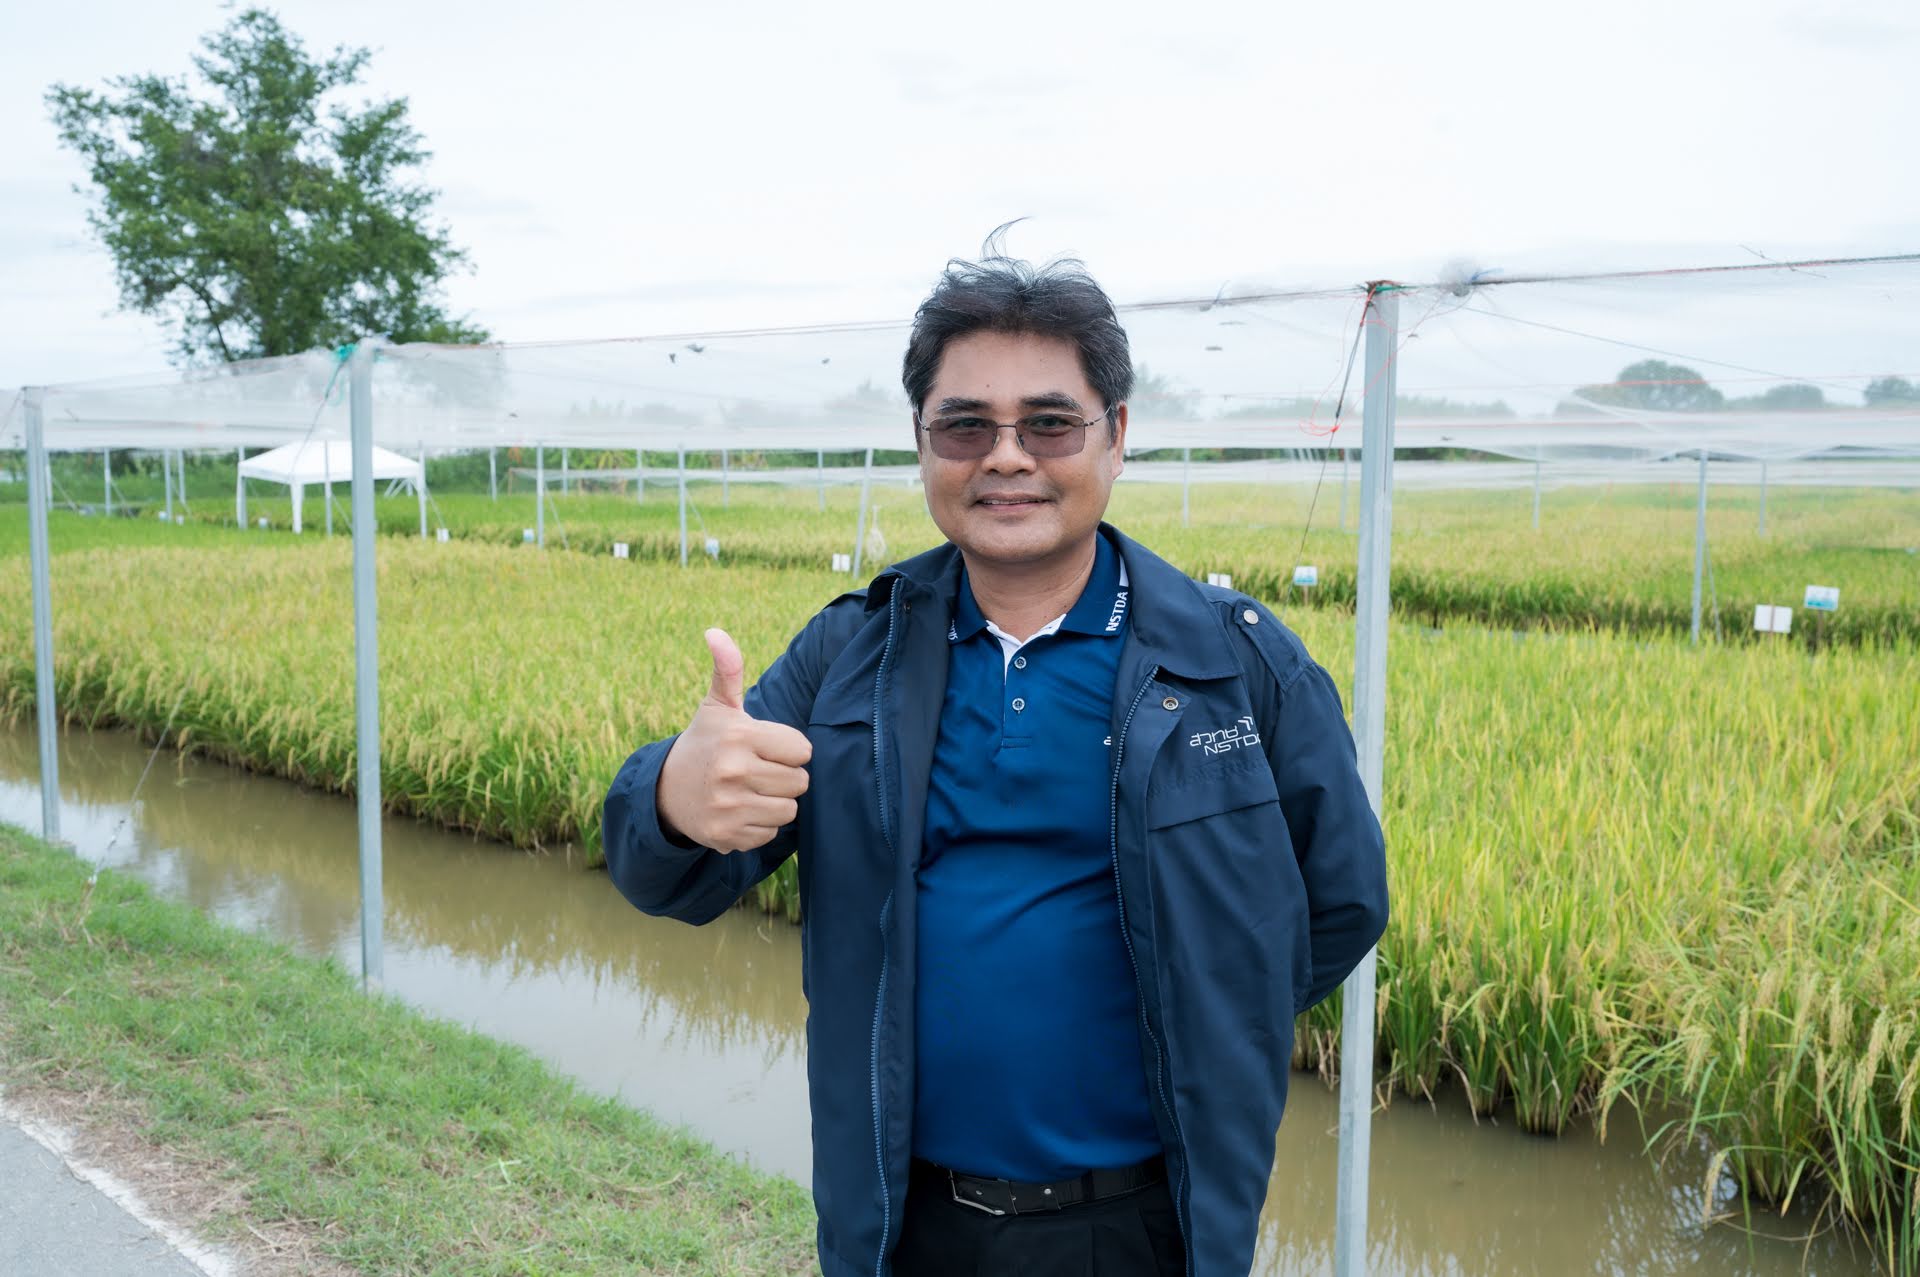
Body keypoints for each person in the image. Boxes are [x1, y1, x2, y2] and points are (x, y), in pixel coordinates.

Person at [602, 254, 1389, 1277]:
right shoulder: (850, 658)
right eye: (965, 425)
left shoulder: (1232, 661)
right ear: (925, 445)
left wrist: (1204, 1014)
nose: (1006, 456)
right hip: (905, 1218)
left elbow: (1340, 898)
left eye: (1050, 424)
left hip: (1145, 1224)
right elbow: (671, 874)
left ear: (1117, 436)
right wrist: (671, 796)